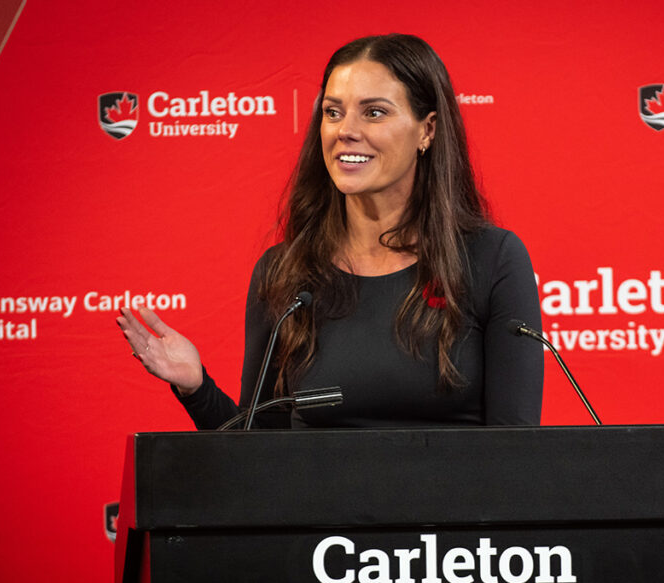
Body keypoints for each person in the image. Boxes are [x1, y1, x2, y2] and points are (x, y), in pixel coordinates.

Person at [117, 34, 543, 429]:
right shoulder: (285, 272)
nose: (346, 131)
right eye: (333, 112)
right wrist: (197, 389)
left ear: (427, 130)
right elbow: (258, 457)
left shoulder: (492, 259)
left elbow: (514, 453)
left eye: (373, 112)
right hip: (320, 514)